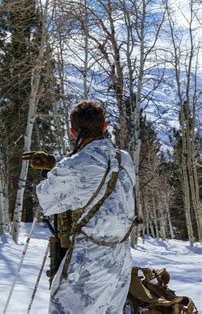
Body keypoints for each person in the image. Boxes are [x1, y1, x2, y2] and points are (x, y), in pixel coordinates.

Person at [35, 100, 136, 313]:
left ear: (73, 132)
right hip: (120, 260)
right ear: (105, 127)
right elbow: (93, 181)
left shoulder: (74, 166)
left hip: (88, 263)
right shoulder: (124, 159)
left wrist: (51, 171)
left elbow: (46, 198)